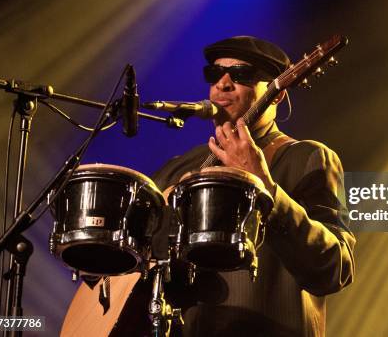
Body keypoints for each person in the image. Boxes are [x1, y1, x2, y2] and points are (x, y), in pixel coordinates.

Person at [152, 36, 355, 337]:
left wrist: (267, 188)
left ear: (276, 95)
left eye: (241, 75)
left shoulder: (308, 158)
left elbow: (336, 267)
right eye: (214, 74)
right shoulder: (180, 167)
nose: (222, 84)